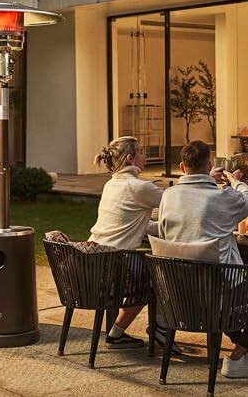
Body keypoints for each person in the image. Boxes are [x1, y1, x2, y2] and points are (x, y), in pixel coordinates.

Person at [159, 140, 248, 378]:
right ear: (209, 164)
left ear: (181, 166)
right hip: (218, 294)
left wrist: (209, 177)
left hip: (180, 293)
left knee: (245, 284)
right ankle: (238, 356)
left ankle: (243, 347)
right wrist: (235, 181)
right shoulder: (220, 197)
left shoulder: (168, 195)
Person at [89, 136, 162, 349]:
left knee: (149, 272)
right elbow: (179, 202)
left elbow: (132, 221)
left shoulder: (111, 184)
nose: (144, 155)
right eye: (141, 152)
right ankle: (158, 329)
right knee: (158, 279)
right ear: (130, 158)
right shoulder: (139, 187)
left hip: (92, 262)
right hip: (114, 265)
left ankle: (119, 332)